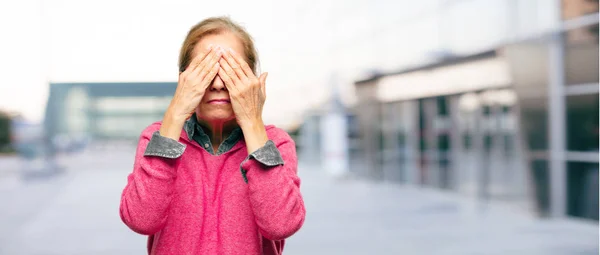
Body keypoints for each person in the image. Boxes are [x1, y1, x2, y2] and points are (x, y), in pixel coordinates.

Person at [119, 17, 306, 255]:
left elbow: (281, 225)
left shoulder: (276, 143)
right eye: (205, 70)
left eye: (231, 70)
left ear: (253, 81)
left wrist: (252, 122)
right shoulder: (157, 137)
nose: (218, 84)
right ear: (183, 80)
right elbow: (141, 220)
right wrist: (175, 114)